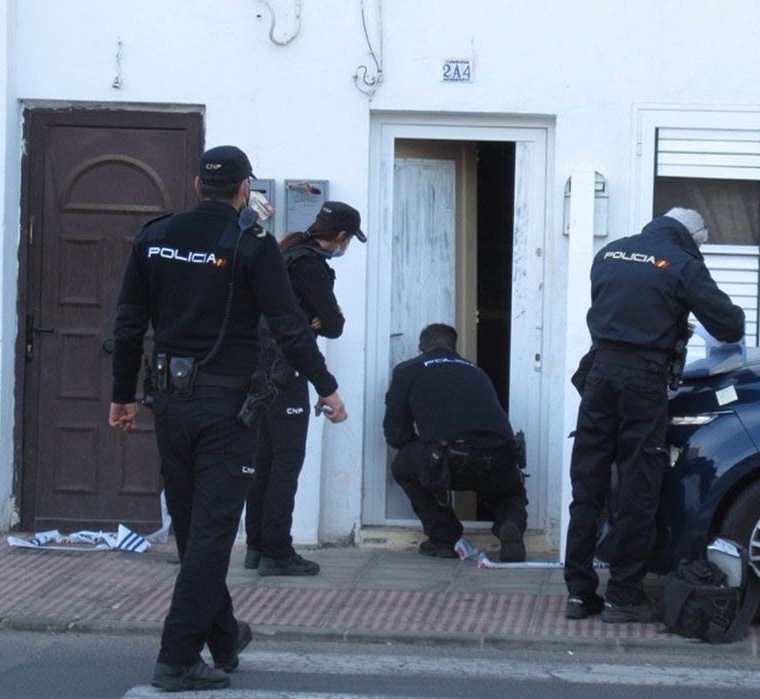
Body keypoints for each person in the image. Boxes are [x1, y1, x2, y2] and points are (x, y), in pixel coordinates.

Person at [108, 145, 348, 692]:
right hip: (225, 409)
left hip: (168, 403)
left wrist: (122, 394)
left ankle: (222, 635)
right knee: (213, 533)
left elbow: (127, 324)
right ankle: (176, 658)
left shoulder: (155, 237)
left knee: (196, 530)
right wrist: (327, 388)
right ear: (245, 190)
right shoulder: (250, 243)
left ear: (197, 187)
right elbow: (289, 327)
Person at [564, 207, 745, 624]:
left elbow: (622, 312)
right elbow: (729, 325)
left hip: (599, 377)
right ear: (692, 238)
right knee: (637, 487)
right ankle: (624, 596)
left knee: (587, 485)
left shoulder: (610, 252)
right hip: (641, 383)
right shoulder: (681, 264)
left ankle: (578, 592)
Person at [244, 201, 365, 577]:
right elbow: (332, 323)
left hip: (259, 372)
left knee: (265, 461)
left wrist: (315, 321)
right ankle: (277, 552)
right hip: (286, 372)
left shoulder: (285, 252)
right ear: (342, 237)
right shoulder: (311, 266)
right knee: (285, 464)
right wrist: (314, 323)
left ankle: (257, 547)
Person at [383, 323, 527, 562]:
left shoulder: (407, 370)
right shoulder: (477, 371)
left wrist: (426, 448)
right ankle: (510, 524)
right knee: (509, 493)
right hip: (501, 456)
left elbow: (395, 433)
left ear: (421, 348)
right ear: (453, 347)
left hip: (452, 459)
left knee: (403, 465)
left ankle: (444, 538)